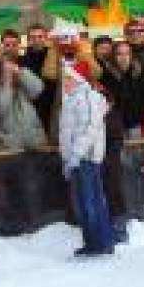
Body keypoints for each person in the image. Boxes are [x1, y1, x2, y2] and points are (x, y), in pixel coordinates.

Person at [58, 61, 115, 257]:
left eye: (67, 78)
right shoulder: (71, 100)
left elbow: (89, 128)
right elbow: (68, 132)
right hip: (76, 158)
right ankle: (91, 242)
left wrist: (77, 154)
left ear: (77, 79)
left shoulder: (88, 97)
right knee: (83, 203)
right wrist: (68, 158)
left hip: (86, 158)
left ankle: (102, 242)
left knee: (92, 201)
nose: (64, 82)